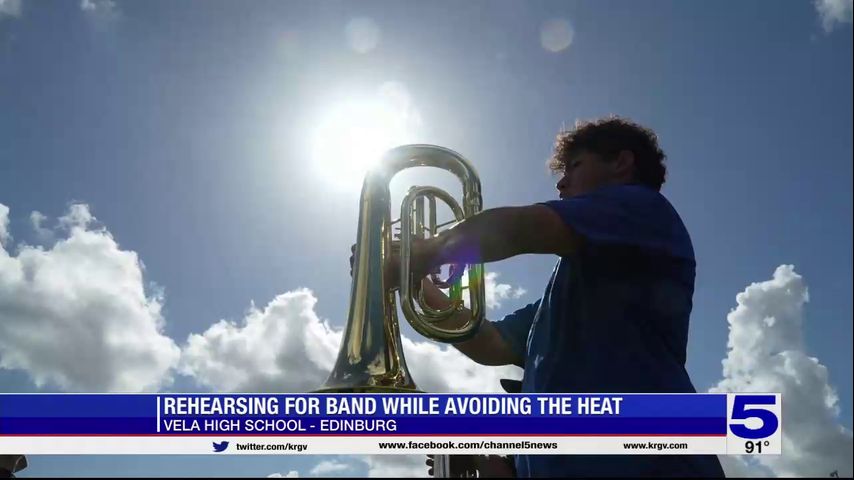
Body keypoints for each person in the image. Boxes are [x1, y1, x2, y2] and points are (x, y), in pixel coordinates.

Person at [399, 116, 725, 477]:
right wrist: (408, 279)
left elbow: (523, 228)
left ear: (621, 163)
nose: (562, 180)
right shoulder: (565, 295)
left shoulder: (642, 209)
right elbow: (488, 344)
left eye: (575, 165)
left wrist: (425, 252)